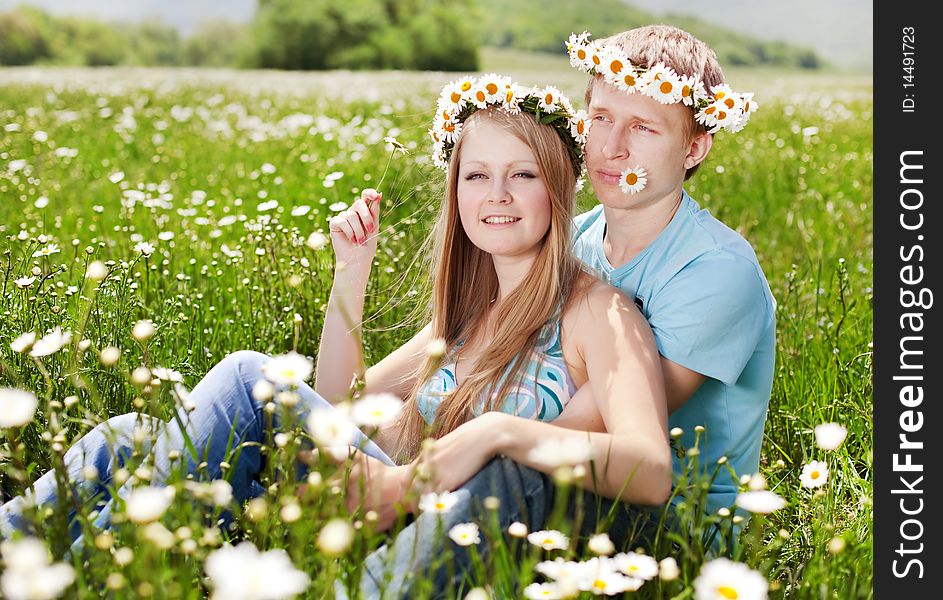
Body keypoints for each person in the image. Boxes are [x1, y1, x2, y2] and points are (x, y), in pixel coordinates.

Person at [0, 75, 671, 597]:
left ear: (558, 189)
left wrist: (493, 432)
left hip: (443, 526)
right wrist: (349, 276)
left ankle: (84, 577)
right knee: (126, 438)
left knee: (245, 378)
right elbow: (338, 404)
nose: (496, 194)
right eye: (476, 175)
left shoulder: (599, 313)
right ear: (455, 193)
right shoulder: (466, 318)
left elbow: (651, 468)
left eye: (521, 175)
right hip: (385, 497)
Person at [560, 25, 776, 519]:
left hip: (671, 523)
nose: (611, 147)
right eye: (600, 117)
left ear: (695, 148)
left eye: (643, 127)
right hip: (569, 479)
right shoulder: (572, 239)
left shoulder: (717, 270)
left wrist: (463, 439)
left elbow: (589, 428)